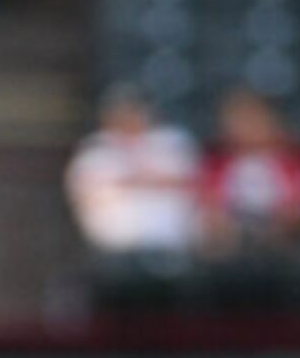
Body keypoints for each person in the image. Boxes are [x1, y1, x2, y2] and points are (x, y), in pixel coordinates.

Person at [66, 86, 203, 261]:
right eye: (122, 112)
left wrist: (134, 180)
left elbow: (193, 184)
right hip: (115, 249)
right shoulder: (94, 151)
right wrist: (151, 180)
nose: (129, 118)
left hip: (174, 246)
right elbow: (86, 195)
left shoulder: (172, 142)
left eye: (135, 111)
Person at [197, 87, 300, 257]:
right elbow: (207, 200)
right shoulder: (218, 161)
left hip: (281, 236)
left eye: (250, 120)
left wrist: (282, 222)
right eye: (236, 121)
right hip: (233, 236)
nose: (243, 128)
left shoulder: (293, 159)